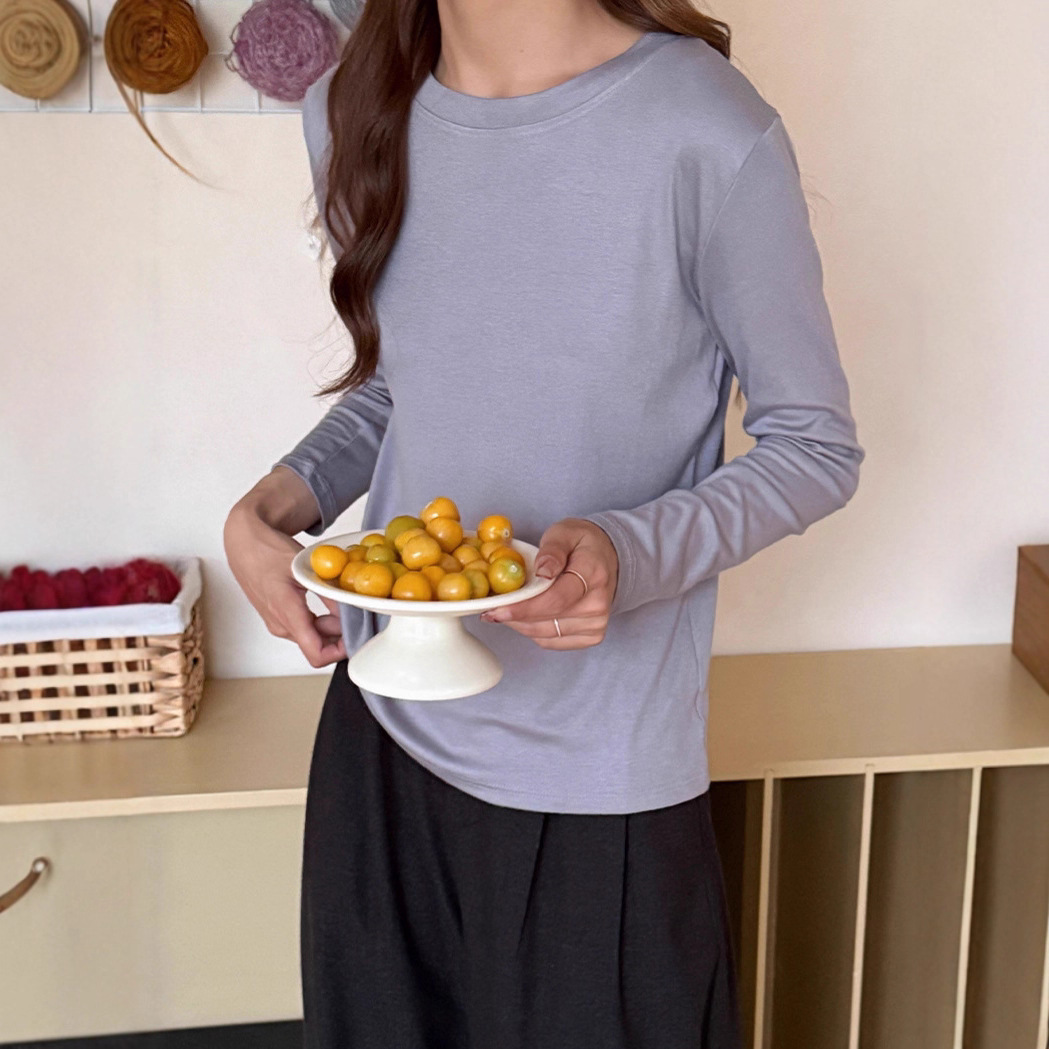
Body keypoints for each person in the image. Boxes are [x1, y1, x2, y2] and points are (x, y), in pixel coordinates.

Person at [224, 0, 865, 1045]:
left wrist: (628, 553)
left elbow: (814, 445)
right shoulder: (351, 106)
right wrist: (271, 505)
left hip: (597, 779)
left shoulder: (704, 127)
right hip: (382, 738)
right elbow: (410, 383)